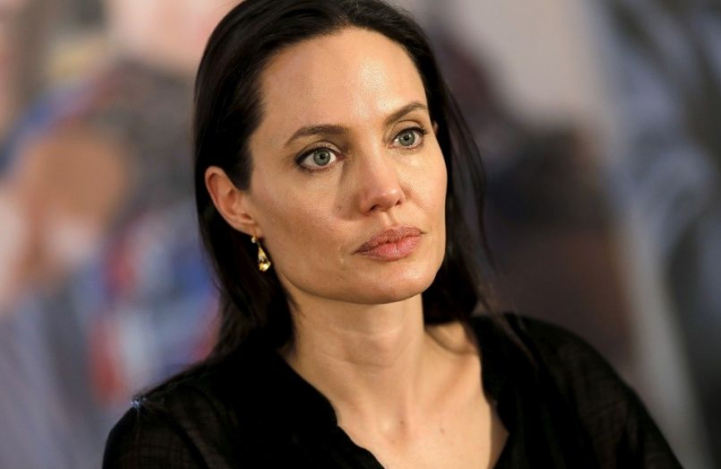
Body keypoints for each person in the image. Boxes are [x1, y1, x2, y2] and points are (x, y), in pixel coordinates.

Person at [102, 0, 683, 467]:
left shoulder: (562, 380)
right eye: (321, 155)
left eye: (406, 136)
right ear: (235, 201)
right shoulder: (182, 449)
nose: (383, 190)